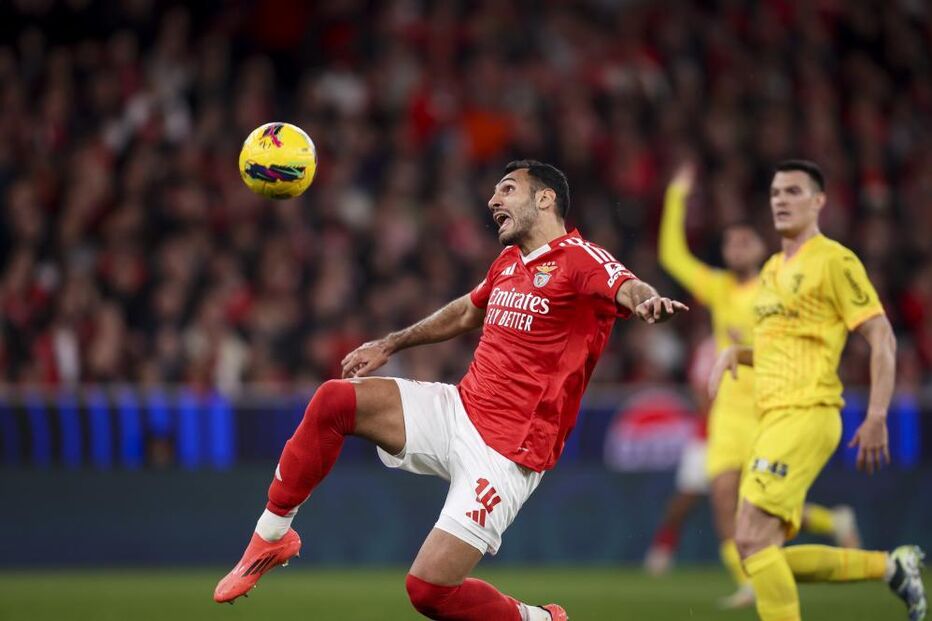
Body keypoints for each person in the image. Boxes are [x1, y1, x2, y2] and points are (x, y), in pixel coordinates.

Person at [213, 160, 689, 620]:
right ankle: (271, 535)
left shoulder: (580, 259)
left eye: (508, 189)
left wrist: (647, 303)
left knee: (428, 592)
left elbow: (628, 286)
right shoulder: (509, 261)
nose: (493, 200)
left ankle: (537, 620)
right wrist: (390, 343)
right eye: (495, 191)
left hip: (507, 453)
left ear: (546, 199)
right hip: (459, 409)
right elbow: (466, 312)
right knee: (335, 400)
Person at [708, 159, 926, 621]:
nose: (781, 201)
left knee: (749, 537)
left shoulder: (834, 261)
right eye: (775, 193)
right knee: (761, 550)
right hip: (771, 417)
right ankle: (891, 567)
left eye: (793, 191)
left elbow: (882, 337)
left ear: (819, 201)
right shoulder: (771, 269)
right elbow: (778, 347)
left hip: (807, 410)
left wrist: (877, 415)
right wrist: (738, 354)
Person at [648, 165, 862, 607]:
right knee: (724, 500)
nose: (737, 247)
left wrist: (754, 339)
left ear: (762, 247)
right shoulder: (719, 288)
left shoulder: (777, 283)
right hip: (727, 413)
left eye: (745, 240)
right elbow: (672, 256)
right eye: (730, 242)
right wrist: (676, 196)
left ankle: (831, 525)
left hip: (771, 408)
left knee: (764, 507)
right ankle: (749, 579)